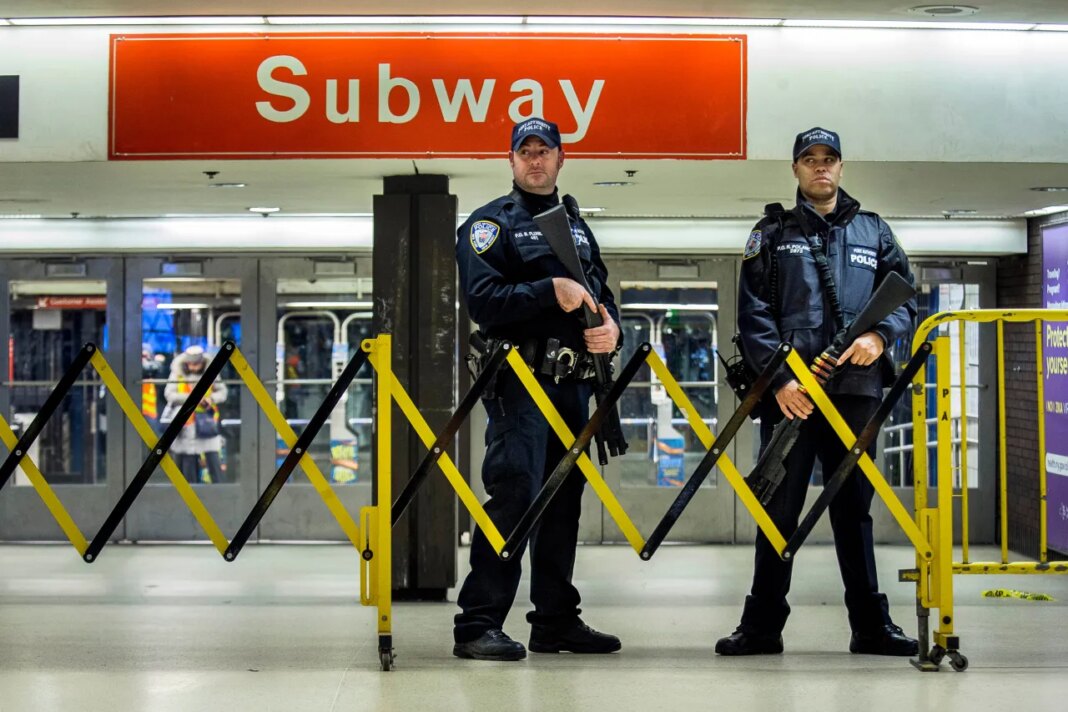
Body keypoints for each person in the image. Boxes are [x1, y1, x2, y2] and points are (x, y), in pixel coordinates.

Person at [717, 127, 919, 657]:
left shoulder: (875, 233)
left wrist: (880, 335)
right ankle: (761, 628)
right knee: (776, 510)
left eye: (829, 159)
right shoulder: (772, 234)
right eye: (810, 159)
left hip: (855, 392)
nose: (820, 167)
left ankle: (871, 628)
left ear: (842, 167)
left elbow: (904, 298)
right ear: (796, 170)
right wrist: (780, 382)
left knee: (853, 509)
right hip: (793, 397)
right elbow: (753, 314)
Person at [452, 117, 623, 661]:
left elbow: (601, 293)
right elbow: (483, 302)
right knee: (515, 497)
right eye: (524, 151)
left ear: (560, 158)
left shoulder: (576, 226)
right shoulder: (488, 226)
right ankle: (478, 623)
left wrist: (611, 326)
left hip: (574, 386)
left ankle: (554, 622)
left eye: (543, 150)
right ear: (510, 160)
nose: (534, 159)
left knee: (563, 504)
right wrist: (549, 290)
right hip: (521, 386)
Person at [162, 345, 228, 484]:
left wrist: (211, 399)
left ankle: (219, 493)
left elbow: (222, 392)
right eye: (190, 364)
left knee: (213, 462)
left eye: (197, 364)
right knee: (187, 467)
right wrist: (193, 398)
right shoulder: (177, 373)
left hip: (206, 424)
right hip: (185, 426)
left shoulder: (212, 372)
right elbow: (170, 394)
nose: (193, 367)